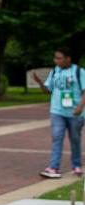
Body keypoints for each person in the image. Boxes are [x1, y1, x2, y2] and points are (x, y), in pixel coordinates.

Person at [33, 46, 85, 178]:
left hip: (75, 113)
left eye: (59, 58)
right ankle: (53, 167)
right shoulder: (55, 71)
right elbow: (48, 90)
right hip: (57, 111)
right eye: (55, 58)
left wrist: (80, 107)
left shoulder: (79, 71)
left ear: (68, 59)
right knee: (57, 137)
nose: (56, 60)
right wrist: (40, 83)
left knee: (75, 139)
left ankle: (76, 165)